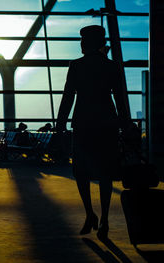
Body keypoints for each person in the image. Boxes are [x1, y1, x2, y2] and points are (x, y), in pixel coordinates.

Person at [56, 25, 131, 240]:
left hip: (83, 124)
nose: (81, 45)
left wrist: (61, 123)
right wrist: (125, 123)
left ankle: (90, 214)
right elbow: (120, 98)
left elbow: (68, 96)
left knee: (81, 172)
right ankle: (105, 219)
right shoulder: (111, 66)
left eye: (83, 41)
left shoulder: (77, 66)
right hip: (107, 123)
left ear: (88, 43)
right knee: (106, 173)